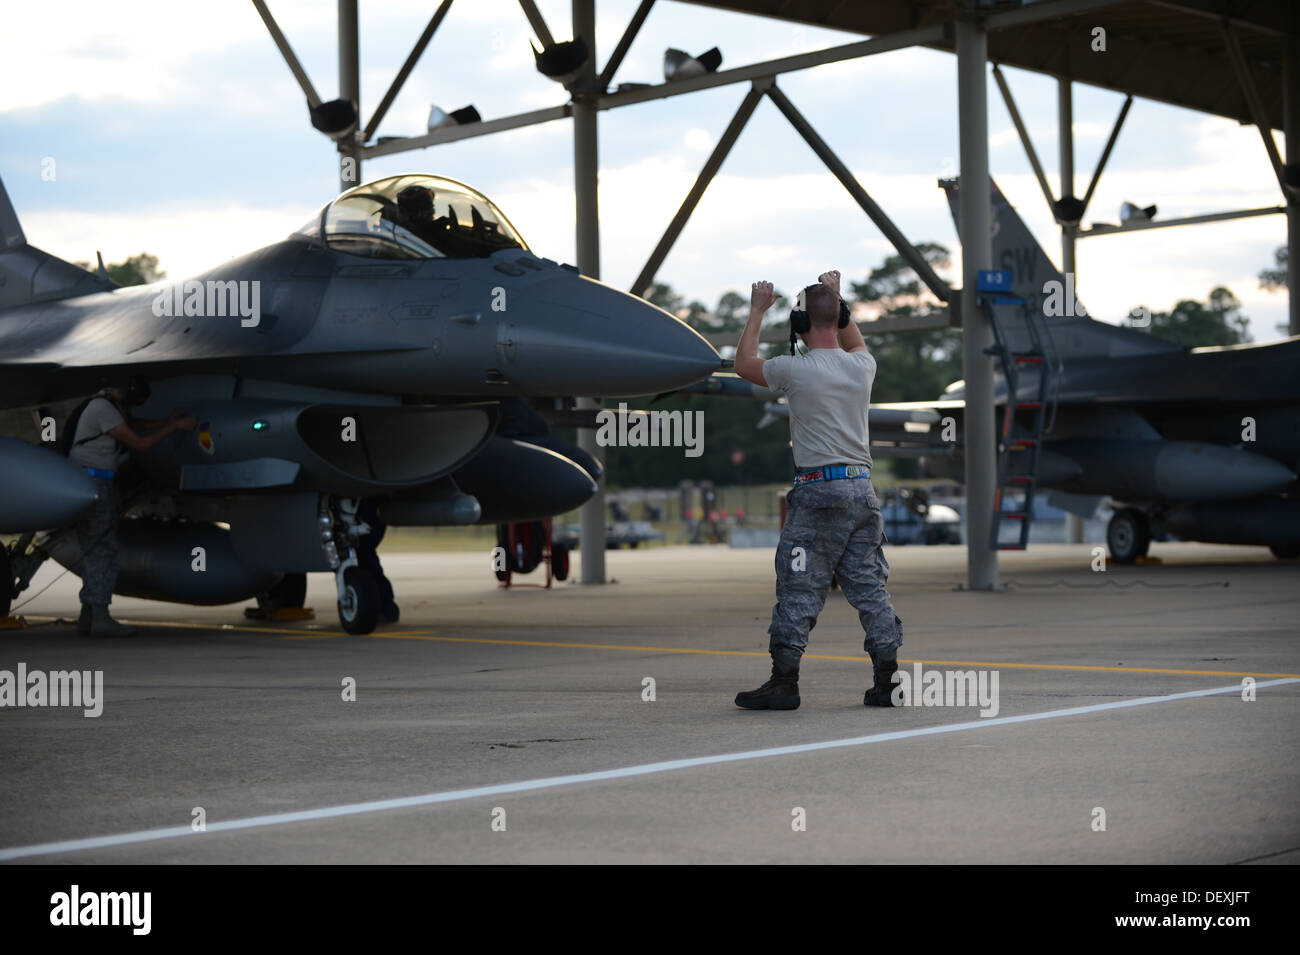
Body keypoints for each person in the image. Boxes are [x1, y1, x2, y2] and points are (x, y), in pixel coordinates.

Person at [732, 270, 904, 710]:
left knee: (798, 585)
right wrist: (837, 300)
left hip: (817, 491)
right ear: (842, 317)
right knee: (869, 587)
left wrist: (757, 311)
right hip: (861, 491)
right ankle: (887, 681)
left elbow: (743, 364)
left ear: (800, 327)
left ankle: (784, 681)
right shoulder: (863, 366)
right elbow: (853, 339)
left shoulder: (794, 370)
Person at [67, 378, 196, 637]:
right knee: (104, 550)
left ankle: (89, 617)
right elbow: (139, 443)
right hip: (94, 482)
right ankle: (99, 617)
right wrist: (175, 427)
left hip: (93, 481)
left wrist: (166, 421)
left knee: (96, 549)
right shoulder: (103, 408)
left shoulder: (106, 405)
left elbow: (135, 425)